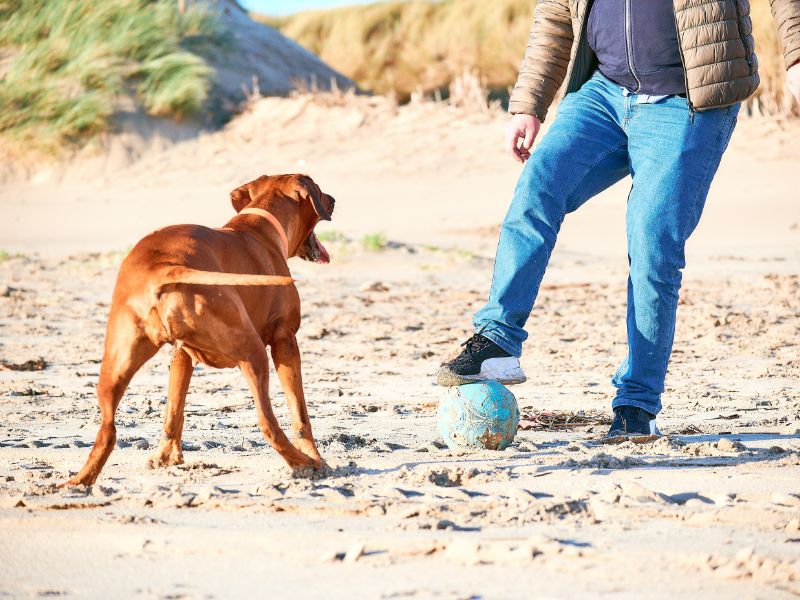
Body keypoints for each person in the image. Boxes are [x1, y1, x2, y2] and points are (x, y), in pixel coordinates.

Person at [437, 0, 800, 438]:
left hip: (688, 100)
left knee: (652, 246)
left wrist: (797, 54)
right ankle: (497, 339)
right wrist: (529, 103)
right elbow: (556, 12)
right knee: (537, 188)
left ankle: (636, 404)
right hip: (602, 93)